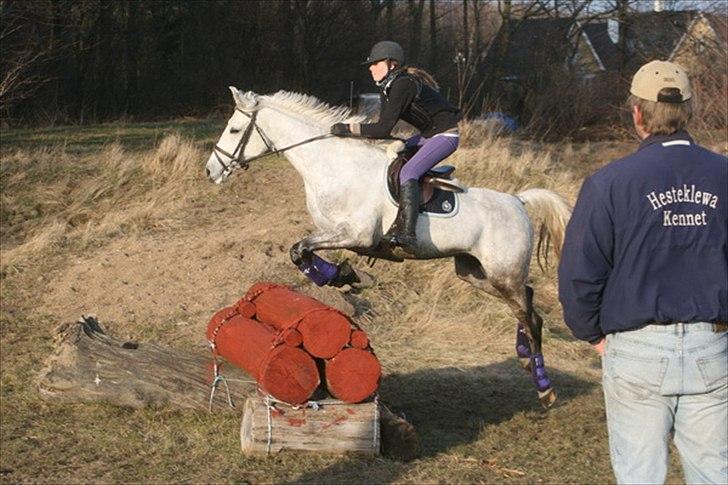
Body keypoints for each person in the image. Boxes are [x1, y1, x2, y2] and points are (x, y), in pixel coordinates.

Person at [558, 60, 727, 484]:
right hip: (714, 345)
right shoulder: (724, 176)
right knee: (715, 473)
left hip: (637, 350)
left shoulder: (610, 182)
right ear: (689, 110)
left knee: (639, 475)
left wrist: (590, 332)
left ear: (637, 113)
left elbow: (580, 272)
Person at [330, 40, 462, 250]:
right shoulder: (388, 87)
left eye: (375, 63)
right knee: (395, 151)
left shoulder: (403, 84)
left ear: (391, 64)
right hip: (428, 135)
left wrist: (349, 129)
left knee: (408, 172)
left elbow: (382, 129)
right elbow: (384, 128)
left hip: (445, 136)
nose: (371, 68)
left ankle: (407, 233)